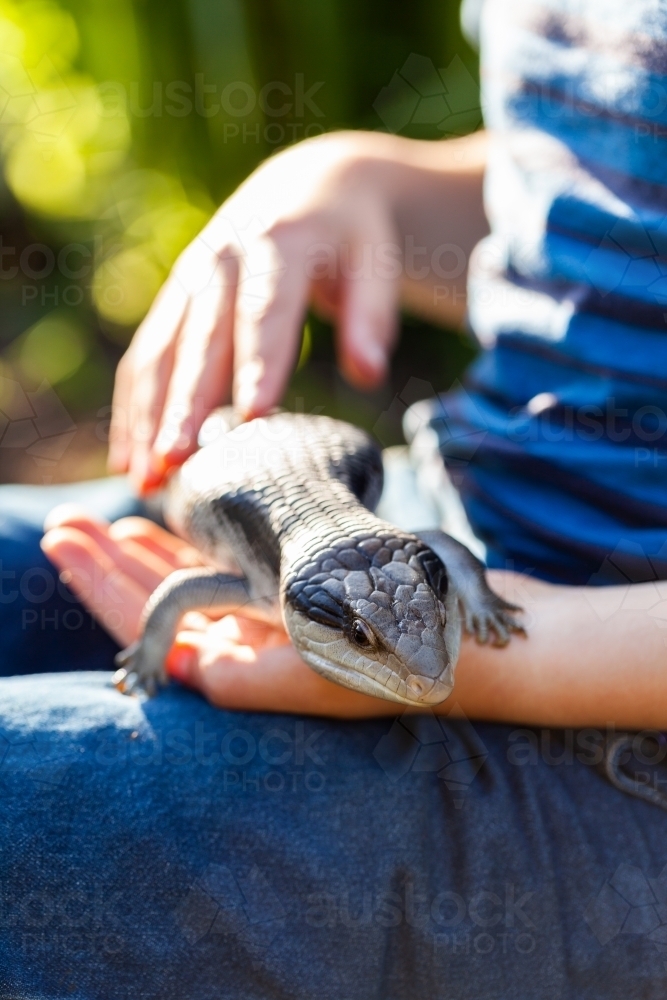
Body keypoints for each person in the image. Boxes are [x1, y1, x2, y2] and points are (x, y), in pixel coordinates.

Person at [1, 1, 667, 996]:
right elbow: (583, 186)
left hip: (615, 730)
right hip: (425, 506)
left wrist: (494, 660)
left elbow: (434, 640)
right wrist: (359, 181)